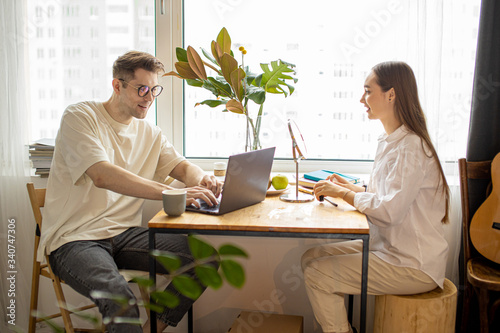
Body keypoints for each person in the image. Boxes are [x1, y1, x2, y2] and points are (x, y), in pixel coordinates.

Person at [37, 51, 223, 333]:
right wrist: (172, 194)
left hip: (123, 235)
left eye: (154, 89)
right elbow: (102, 175)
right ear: (117, 85)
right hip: (74, 239)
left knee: (205, 260)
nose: (149, 97)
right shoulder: (80, 116)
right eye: (142, 89)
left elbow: (183, 168)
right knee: (121, 299)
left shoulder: (150, 133)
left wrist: (203, 178)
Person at [302, 61, 450, 333]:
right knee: (311, 257)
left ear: (391, 94)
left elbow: (389, 211)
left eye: (368, 91)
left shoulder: (411, 147)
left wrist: (343, 193)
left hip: (412, 264)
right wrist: (352, 188)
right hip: (391, 249)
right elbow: (385, 196)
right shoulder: (391, 140)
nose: (362, 99)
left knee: (316, 273)